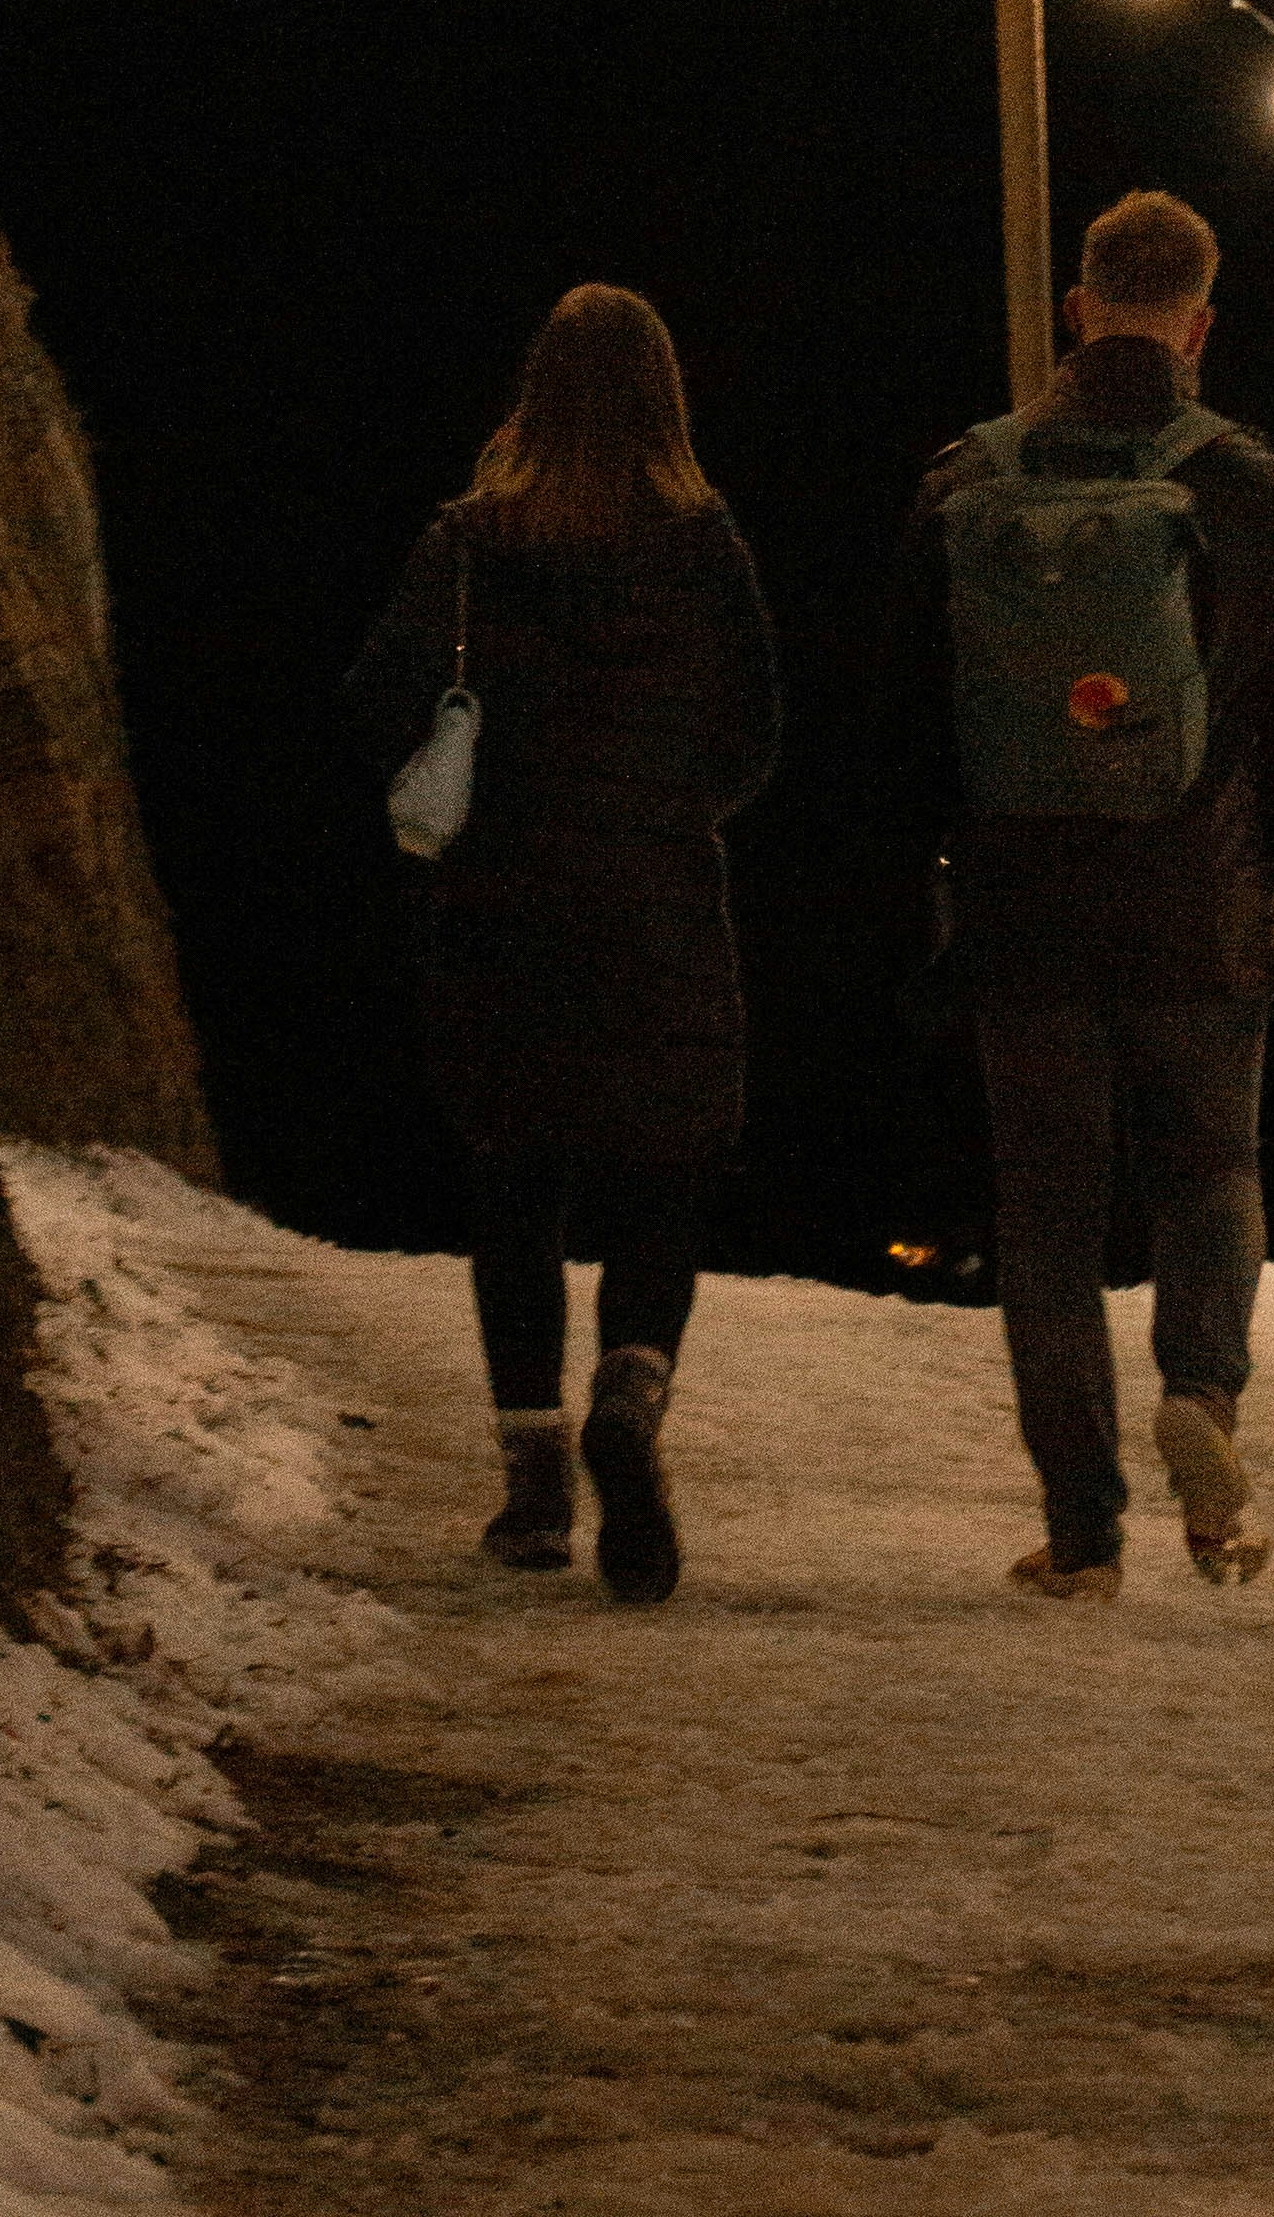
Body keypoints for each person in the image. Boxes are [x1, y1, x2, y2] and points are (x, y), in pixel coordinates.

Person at [875, 185, 1274, 1601]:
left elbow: (899, 729)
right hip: (1203, 919)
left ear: (1079, 310)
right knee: (1212, 1174)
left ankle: (1084, 1535)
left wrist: (916, 935)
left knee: (1046, 1216)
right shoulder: (1258, 493)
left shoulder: (965, 482)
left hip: (1023, 918)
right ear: (1201, 326)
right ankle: (1202, 1409)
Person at [346, 283, 779, 1607]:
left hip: (501, 908)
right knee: (661, 1173)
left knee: (517, 1182)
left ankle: (534, 1488)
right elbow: (757, 727)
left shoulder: (469, 543)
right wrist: (664, 807)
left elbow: (373, 700)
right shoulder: (705, 543)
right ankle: (632, 1399)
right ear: (666, 399)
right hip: (654, 904)